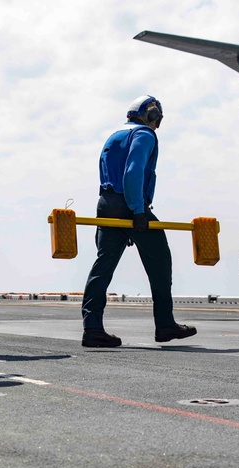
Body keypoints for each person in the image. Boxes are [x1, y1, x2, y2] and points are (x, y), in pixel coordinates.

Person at [80, 95, 197, 347]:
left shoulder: (114, 135)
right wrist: (137, 212)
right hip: (129, 203)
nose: (158, 125)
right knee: (160, 259)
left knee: (103, 266)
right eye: (158, 119)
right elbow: (132, 171)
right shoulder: (144, 134)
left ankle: (92, 328)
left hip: (106, 203)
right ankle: (165, 324)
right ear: (152, 114)